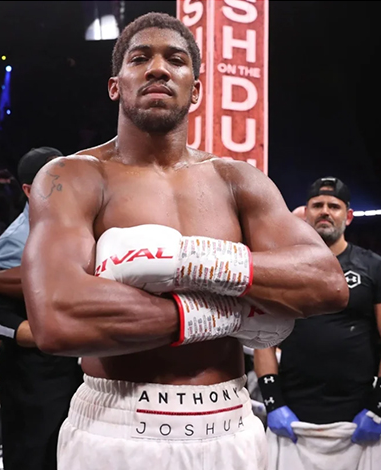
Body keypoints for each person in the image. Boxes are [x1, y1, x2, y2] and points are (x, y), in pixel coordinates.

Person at [20, 12, 349, 470]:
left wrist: (184, 261)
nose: (158, 68)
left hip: (229, 427)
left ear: (195, 90)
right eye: (140, 58)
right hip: (116, 426)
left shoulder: (239, 180)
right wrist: (226, 310)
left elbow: (327, 283)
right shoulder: (70, 177)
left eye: (175, 59)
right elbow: (57, 318)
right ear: (115, 85)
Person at [0, 146, 84, 470]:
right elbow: (0, 316)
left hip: (79, 364)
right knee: (35, 456)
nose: (64, 188)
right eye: (53, 181)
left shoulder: (83, 223)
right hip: (35, 372)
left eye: (66, 178)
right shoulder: (15, 241)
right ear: (29, 189)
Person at [254, 177, 381, 469]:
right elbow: (264, 338)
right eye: (318, 205)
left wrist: (378, 406)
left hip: (358, 416)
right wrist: (274, 402)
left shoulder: (373, 266)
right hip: (294, 415)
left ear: (347, 216)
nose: (325, 211)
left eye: (334, 206)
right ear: (305, 212)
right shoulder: (282, 267)